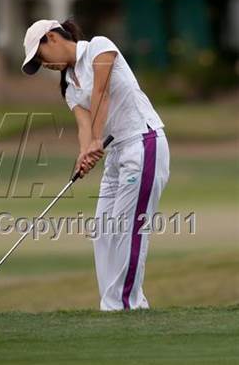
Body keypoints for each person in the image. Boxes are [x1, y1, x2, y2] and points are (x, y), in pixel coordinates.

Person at [21, 18, 170, 311]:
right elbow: (84, 126)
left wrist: (96, 141)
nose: (44, 65)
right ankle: (113, 303)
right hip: (116, 155)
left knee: (128, 228)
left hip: (143, 142)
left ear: (52, 37)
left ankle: (124, 305)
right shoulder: (68, 85)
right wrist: (84, 152)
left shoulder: (100, 48)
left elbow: (102, 93)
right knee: (104, 230)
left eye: (41, 57)